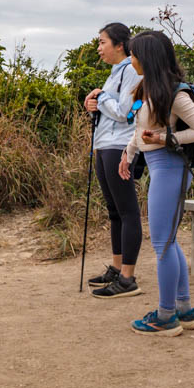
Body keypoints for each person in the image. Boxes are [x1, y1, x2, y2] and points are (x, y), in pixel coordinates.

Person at [118, 30, 194, 335]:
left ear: (148, 57)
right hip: (161, 168)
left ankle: (166, 316)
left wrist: (164, 138)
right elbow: (141, 129)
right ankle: (183, 311)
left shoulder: (175, 93)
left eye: (134, 54)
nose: (131, 59)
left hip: (171, 168)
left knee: (162, 244)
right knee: (167, 242)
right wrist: (129, 153)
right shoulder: (152, 89)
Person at [82, 23, 143, 298]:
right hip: (105, 145)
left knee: (127, 210)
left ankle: (128, 279)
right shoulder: (114, 73)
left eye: (102, 42)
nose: (99, 48)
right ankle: (117, 269)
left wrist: (102, 96)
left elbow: (124, 113)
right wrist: (92, 104)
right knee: (114, 210)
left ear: (119, 45)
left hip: (120, 147)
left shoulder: (130, 70)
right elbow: (108, 110)